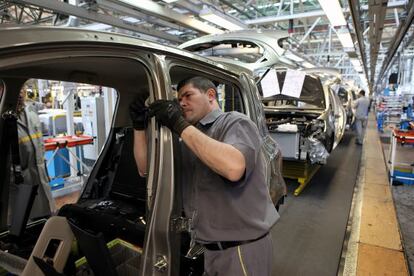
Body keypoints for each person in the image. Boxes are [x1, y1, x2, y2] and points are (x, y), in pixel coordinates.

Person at [130, 76, 279, 275]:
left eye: (188, 96)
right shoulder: (189, 137)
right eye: (179, 99)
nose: (182, 103)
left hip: (242, 250)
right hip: (210, 251)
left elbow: (233, 168)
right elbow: (145, 170)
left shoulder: (234, 122)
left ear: (210, 95)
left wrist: (179, 124)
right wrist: (139, 128)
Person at [8, 89, 56, 223]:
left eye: (22, 88)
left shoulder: (31, 112)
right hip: (18, 185)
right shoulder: (4, 118)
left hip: (40, 178)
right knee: (22, 226)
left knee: (46, 222)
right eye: (17, 88)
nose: (20, 93)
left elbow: (39, 147)